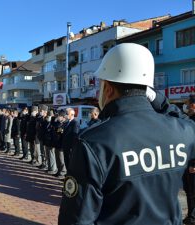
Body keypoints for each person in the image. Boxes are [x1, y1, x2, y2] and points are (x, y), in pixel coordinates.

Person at [58, 43, 195, 225]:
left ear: (108, 89)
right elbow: (185, 120)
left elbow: (77, 219)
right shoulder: (183, 131)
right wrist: (159, 99)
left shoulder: (93, 142)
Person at [183, 94, 195, 225]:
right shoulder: (190, 119)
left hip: (192, 163)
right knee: (189, 191)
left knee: (192, 191)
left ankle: (192, 218)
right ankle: (191, 216)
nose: (186, 106)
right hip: (189, 162)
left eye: (187, 103)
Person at [52, 110, 67, 178]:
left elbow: (60, 132)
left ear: (63, 117)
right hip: (56, 143)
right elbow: (54, 129)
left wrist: (58, 129)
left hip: (61, 144)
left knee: (61, 159)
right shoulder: (57, 123)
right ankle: (58, 171)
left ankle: (63, 172)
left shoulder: (65, 124)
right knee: (57, 158)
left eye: (59, 116)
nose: (58, 117)